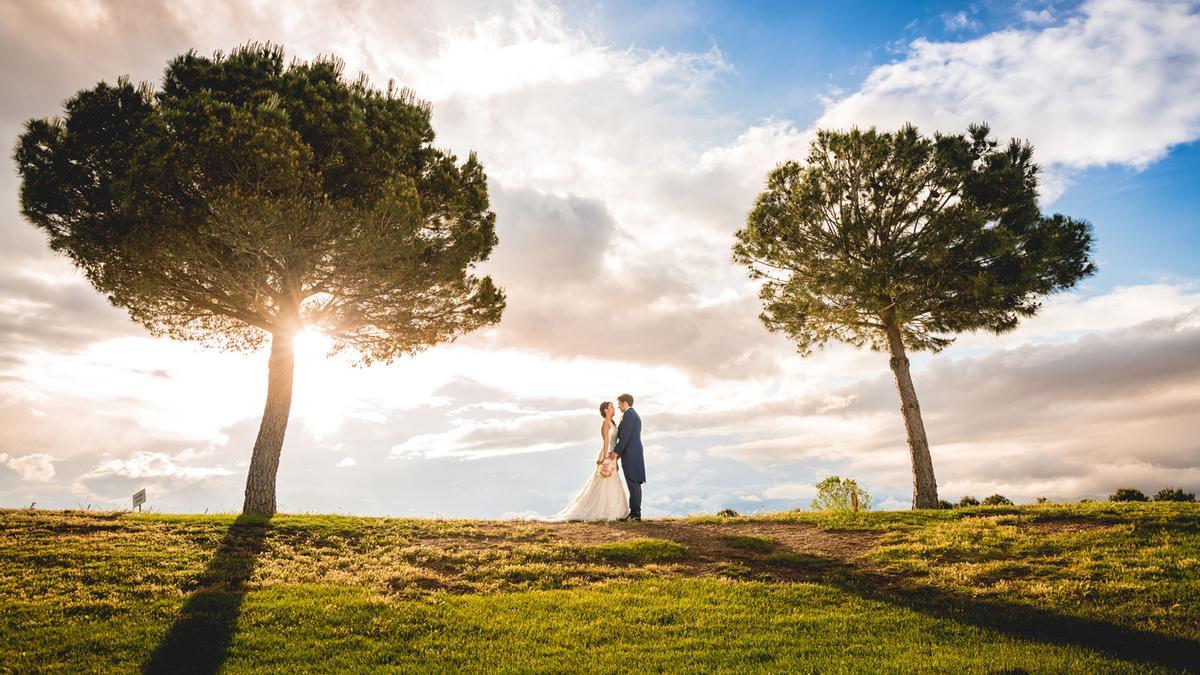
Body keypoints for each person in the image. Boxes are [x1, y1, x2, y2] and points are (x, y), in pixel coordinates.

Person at [544, 401, 629, 522]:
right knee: (604, 481)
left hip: (612, 456)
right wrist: (605, 458)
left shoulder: (613, 423)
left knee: (611, 482)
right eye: (611, 407)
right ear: (605, 410)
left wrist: (615, 457)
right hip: (607, 455)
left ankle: (613, 510)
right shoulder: (605, 423)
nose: (613, 408)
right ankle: (602, 511)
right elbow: (605, 441)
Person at [610, 393, 644, 521]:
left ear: (625, 403)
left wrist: (616, 452)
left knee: (633, 483)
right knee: (634, 483)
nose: (618, 406)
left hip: (631, 454)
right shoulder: (631, 414)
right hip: (633, 453)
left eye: (619, 404)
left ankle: (635, 514)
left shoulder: (629, 415)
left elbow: (625, 437)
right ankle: (634, 513)